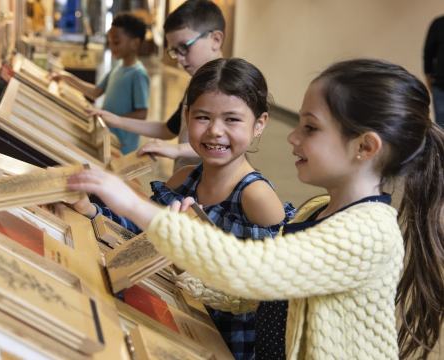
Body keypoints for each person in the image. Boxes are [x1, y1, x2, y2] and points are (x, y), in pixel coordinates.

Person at [66, 59, 444, 360]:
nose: (293, 137)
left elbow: (250, 268)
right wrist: (190, 277)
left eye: (310, 129)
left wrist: (131, 203)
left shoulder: (368, 233)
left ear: (365, 147)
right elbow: (264, 294)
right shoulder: (317, 210)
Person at [69, 58, 296, 360]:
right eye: (203, 117)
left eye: (232, 120)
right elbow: (135, 232)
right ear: (186, 116)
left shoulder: (256, 197)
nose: (215, 131)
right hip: (172, 318)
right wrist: (91, 211)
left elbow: (262, 290)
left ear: (259, 125)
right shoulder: (184, 177)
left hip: (223, 343)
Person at [86, 0, 225, 171]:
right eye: (175, 50)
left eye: (184, 47)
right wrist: (117, 120)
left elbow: (227, 144)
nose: (179, 58)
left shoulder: (231, 88)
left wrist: (177, 149)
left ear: (216, 39)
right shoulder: (197, 83)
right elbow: (169, 129)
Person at [51, 12, 149, 154]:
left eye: (116, 42)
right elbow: (96, 92)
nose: (112, 47)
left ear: (135, 43)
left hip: (122, 145)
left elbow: (142, 114)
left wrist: (113, 119)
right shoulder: (118, 66)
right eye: (109, 42)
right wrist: (67, 77)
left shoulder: (138, 74)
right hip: (106, 137)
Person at [424, 15, 444, 127]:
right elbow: (428, 54)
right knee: (441, 129)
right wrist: (428, 81)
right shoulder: (438, 24)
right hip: (441, 88)